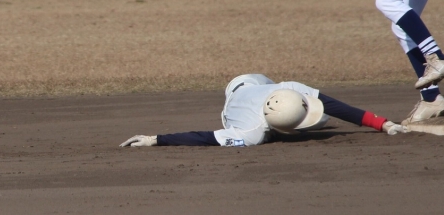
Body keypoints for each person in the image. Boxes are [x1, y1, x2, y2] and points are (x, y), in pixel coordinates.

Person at [120, 74, 407, 147]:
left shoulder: (290, 89)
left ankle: (295, 123)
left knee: (322, 115)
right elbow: (203, 137)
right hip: (233, 99)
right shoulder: (250, 134)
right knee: (315, 123)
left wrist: (381, 123)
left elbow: (335, 105)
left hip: (253, 81)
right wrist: (155, 139)